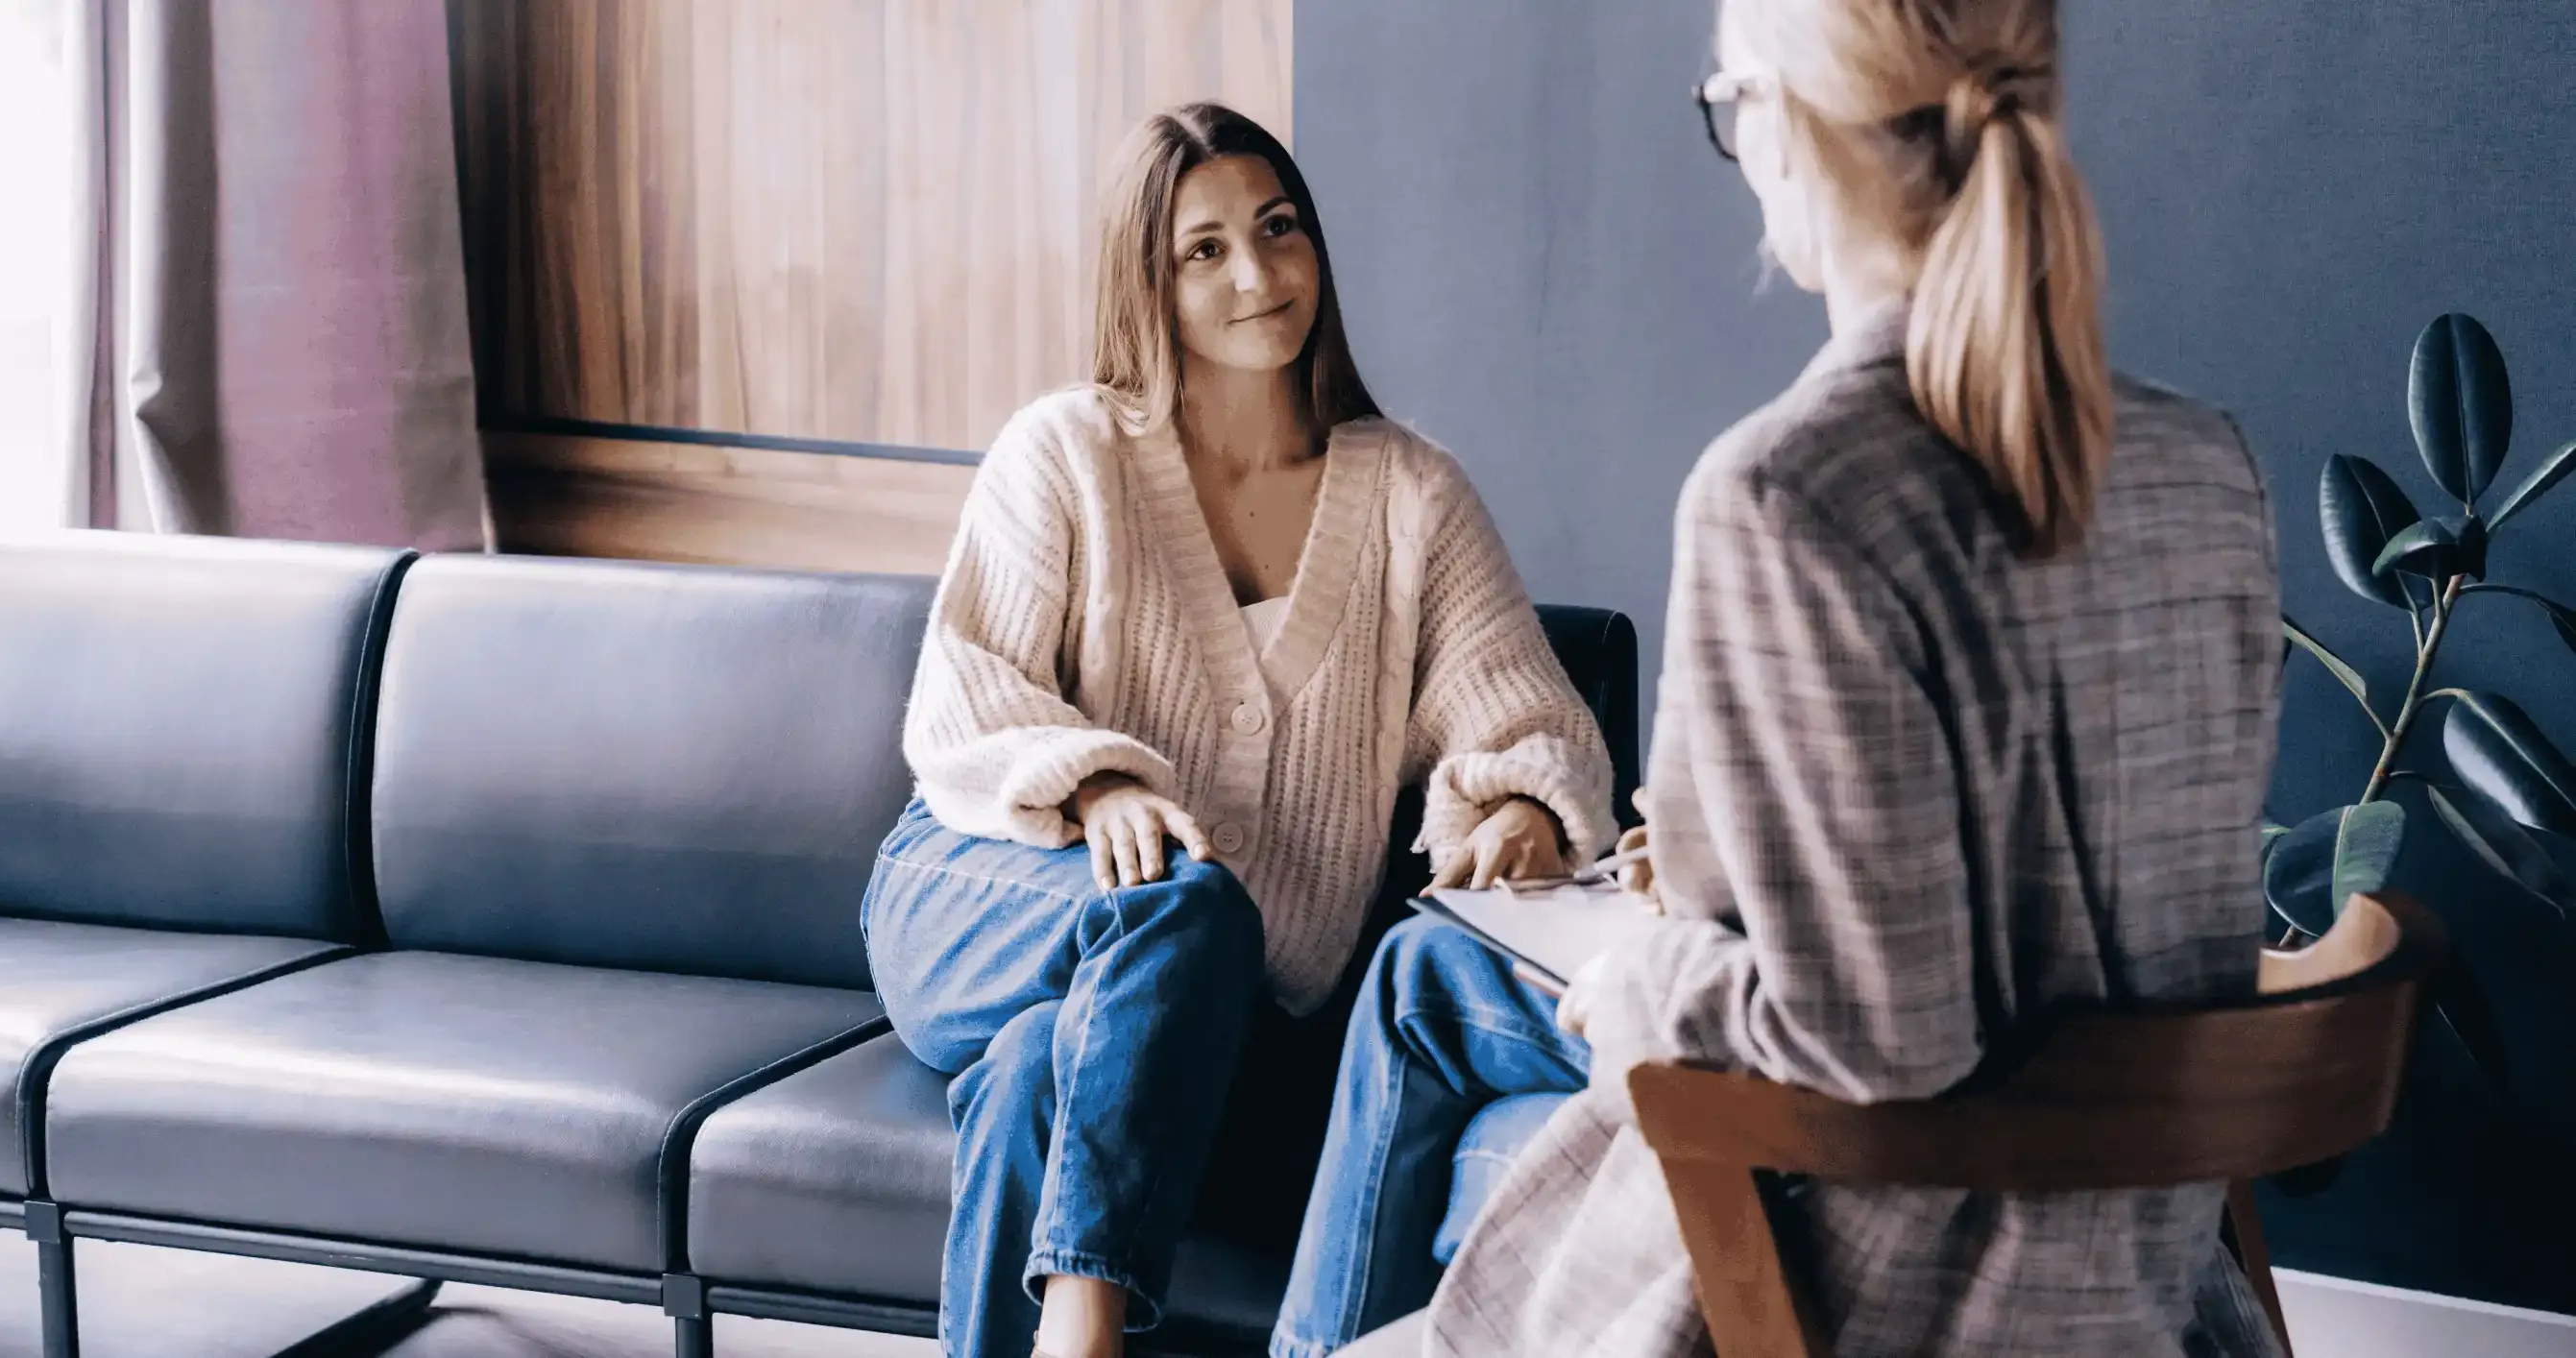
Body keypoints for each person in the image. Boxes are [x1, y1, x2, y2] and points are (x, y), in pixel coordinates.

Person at [1272, 1, 2291, 1354]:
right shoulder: (2201, 464)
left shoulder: (1788, 491)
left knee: (1485, 1091)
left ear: (1791, 125)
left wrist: (1651, 979)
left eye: (1728, 102)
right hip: (2148, 1283)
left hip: (1891, 1286)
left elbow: (1882, 1041)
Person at [863, 102, 1618, 1358]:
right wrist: (1096, 785)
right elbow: (962, 697)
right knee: (1186, 905)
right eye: (1201, 249)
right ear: (1145, 282)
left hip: (1233, 999)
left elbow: (1522, 710)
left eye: (1277, 230)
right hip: (987, 889)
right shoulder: (1066, 452)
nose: (1257, 275)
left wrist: (1521, 806)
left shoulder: (1409, 496)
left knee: (1045, 1061)